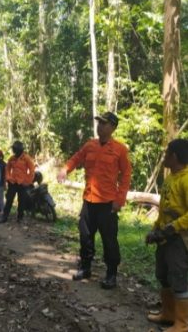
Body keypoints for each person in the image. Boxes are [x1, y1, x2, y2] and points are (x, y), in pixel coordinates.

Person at [57, 111, 131, 289]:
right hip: (89, 200)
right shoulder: (90, 145)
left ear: (113, 127)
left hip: (107, 203)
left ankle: (111, 274)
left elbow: (126, 176)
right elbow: (77, 158)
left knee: (109, 239)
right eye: (99, 123)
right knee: (85, 236)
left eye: (104, 124)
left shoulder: (119, 149)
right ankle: (86, 267)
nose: (100, 126)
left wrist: (119, 200)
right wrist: (65, 169)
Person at [146, 139, 188, 331]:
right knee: (163, 274)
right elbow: (164, 208)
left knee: (178, 276)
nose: (164, 156)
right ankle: (168, 313)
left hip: (180, 238)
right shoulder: (171, 178)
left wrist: (173, 227)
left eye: (167, 153)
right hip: (165, 236)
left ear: (175, 156)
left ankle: (182, 323)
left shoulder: (186, 180)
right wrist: (156, 229)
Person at [0, 141, 35, 223]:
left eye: (16, 150)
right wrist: (8, 178)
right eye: (14, 150)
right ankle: (4, 217)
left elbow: (32, 170)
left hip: (22, 183)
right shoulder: (12, 158)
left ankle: (20, 218)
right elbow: (7, 168)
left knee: (21, 201)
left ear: (21, 150)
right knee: (9, 200)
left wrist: (28, 181)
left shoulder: (26, 158)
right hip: (13, 183)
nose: (15, 152)